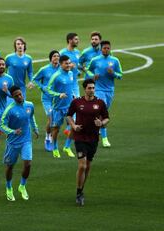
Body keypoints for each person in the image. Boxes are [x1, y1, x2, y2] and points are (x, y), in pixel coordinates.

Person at [66, 78, 109, 206]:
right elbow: (69, 116)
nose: (92, 90)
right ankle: (79, 193)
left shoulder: (100, 103)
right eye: (89, 88)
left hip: (93, 138)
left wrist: (101, 123)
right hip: (80, 137)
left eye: (93, 88)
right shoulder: (77, 102)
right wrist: (73, 126)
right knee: (82, 166)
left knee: (88, 167)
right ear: (84, 89)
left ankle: (81, 190)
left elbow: (107, 118)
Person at [0, 86, 39, 201]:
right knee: (10, 166)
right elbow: (1, 125)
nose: (19, 97)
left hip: (26, 140)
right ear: (12, 97)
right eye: (16, 95)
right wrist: (13, 131)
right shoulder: (9, 110)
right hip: (13, 142)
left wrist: (35, 128)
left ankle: (22, 186)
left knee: (28, 164)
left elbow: (31, 117)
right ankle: (9, 188)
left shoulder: (29, 105)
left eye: (20, 94)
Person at [86, 40, 123, 147]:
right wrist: (92, 76)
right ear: (101, 49)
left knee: (101, 113)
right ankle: (104, 138)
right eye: (104, 48)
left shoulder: (115, 60)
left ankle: (93, 128)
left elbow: (120, 75)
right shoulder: (95, 60)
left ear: (110, 48)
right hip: (98, 90)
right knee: (102, 112)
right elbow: (88, 70)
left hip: (110, 90)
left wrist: (114, 73)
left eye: (108, 48)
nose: (106, 50)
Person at [47, 55, 75, 158]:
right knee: (56, 129)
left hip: (70, 106)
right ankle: (55, 148)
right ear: (61, 64)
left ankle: (67, 147)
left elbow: (69, 87)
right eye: (66, 63)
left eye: (69, 63)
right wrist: (58, 95)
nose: (68, 65)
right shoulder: (56, 76)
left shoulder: (71, 74)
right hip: (58, 107)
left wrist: (73, 95)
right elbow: (48, 89)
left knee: (74, 126)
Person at [33, 50, 60, 152]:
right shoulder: (44, 69)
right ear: (50, 58)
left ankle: (52, 137)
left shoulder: (61, 70)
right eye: (54, 56)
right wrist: (42, 87)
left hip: (57, 98)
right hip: (47, 98)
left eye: (58, 56)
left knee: (56, 121)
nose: (56, 58)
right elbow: (35, 79)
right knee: (51, 117)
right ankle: (48, 137)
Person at [60, 33, 81, 136]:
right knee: (66, 105)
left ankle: (69, 128)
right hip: (65, 84)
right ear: (69, 40)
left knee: (76, 104)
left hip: (75, 83)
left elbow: (78, 65)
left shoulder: (77, 52)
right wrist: (69, 67)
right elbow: (58, 68)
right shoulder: (63, 53)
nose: (78, 41)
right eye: (76, 39)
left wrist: (79, 69)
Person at [5, 37, 34, 101]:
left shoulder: (28, 58)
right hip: (10, 87)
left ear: (24, 45)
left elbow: (30, 72)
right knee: (9, 107)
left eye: (22, 44)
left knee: (21, 105)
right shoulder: (9, 58)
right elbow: (3, 70)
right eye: (18, 44)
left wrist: (31, 81)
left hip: (21, 88)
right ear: (15, 46)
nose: (20, 45)